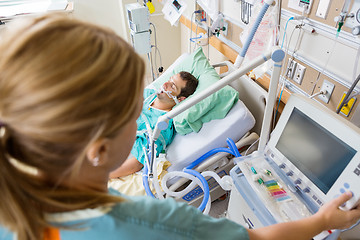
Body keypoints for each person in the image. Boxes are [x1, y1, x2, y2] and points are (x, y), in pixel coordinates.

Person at [0, 13, 359, 240]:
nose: (144, 104)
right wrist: (321, 222)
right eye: (132, 107)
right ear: (98, 150)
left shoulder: (15, 201)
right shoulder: (149, 223)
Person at [109, 71, 198, 178]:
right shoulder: (148, 95)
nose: (165, 84)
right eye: (169, 80)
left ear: (180, 99)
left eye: (172, 86)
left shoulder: (163, 124)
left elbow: (138, 163)